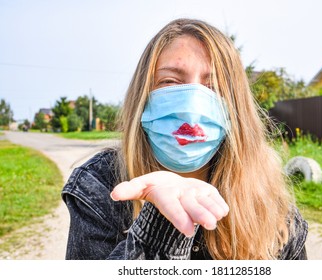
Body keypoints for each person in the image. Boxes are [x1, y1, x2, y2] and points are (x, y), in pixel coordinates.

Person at [62, 18, 308, 260]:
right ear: (142, 97)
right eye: (170, 82)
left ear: (236, 107)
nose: (193, 105)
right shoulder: (100, 185)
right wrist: (161, 225)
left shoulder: (268, 198)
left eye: (214, 87)